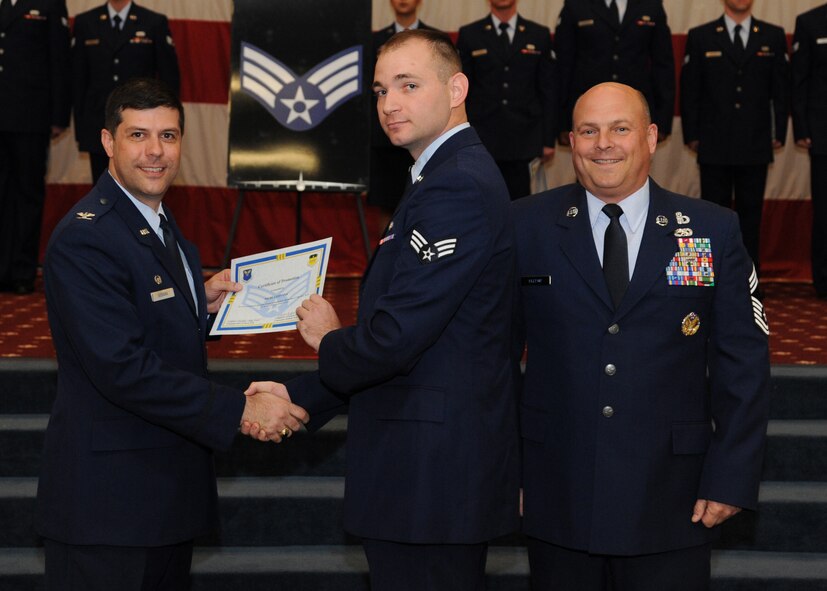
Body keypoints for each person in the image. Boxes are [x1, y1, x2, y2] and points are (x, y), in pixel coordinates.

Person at [246, 29, 519, 591]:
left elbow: (394, 338)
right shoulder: (437, 179)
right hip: (422, 469)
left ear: (456, 88)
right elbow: (420, 345)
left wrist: (327, 340)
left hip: (432, 476)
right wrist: (302, 397)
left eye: (408, 85)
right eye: (378, 90)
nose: (389, 104)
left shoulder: (457, 186)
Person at [36, 78, 308, 590]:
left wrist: (199, 307)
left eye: (169, 135)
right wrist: (241, 409)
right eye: (138, 136)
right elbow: (124, 369)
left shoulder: (161, 225)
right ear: (108, 142)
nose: (155, 152)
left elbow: (142, 316)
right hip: (108, 509)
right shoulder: (87, 238)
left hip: (161, 499)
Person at [513, 82, 770, 590]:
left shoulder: (709, 230)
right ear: (571, 142)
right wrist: (507, 471)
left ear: (651, 137)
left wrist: (731, 477)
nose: (603, 143)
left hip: (673, 498)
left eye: (620, 128)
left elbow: (742, 363)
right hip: (556, 490)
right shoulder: (525, 225)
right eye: (588, 131)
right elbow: (491, 357)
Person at [680, 0, 789, 273]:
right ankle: (709, 280)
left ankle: (748, 281)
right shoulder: (701, 35)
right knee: (709, 216)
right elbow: (690, 90)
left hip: (755, 142)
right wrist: (691, 134)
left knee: (750, 218)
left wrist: (779, 134)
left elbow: (781, 90)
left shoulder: (772, 35)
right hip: (713, 142)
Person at [0, 0, 71, 294]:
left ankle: (21, 270)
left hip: (30, 114)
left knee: (28, 194)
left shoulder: (49, 4)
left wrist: (58, 116)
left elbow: (59, 58)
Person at [456, 0, 556, 200]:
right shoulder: (470, 34)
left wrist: (547, 139)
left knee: (519, 204)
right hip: (482, 136)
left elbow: (548, 90)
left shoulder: (538, 34)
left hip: (524, 137)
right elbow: (460, 92)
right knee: (481, 200)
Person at [72, 0, 180, 182]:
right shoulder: (86, 22)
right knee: (102, 186)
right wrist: (81, 128)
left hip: (143, 125)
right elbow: (78, 79)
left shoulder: (153, 22)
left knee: (143, 185)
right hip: (99, 121)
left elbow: (169, 79)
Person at [554, 0, 675, 144]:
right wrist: (562, 123)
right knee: (589, 163)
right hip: (589, 110)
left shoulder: (650, 5)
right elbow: (562, 67)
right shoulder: (576, 5)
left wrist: (662, 121)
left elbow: (663, 66)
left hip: (635, 109)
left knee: (634, 164)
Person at [368, 0, 438, 233]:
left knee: (427, 205)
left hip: (424, 138)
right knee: (388, 207)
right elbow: (366, 92)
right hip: (386, 139)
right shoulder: (374, 41)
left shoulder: (433, 40)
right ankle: (386, 263)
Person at [792, 3, 827, 299]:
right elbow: (799, 79)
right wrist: (802, 128)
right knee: (825, 211)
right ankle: (824, 280)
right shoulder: (810, 21)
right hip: (823, 133)